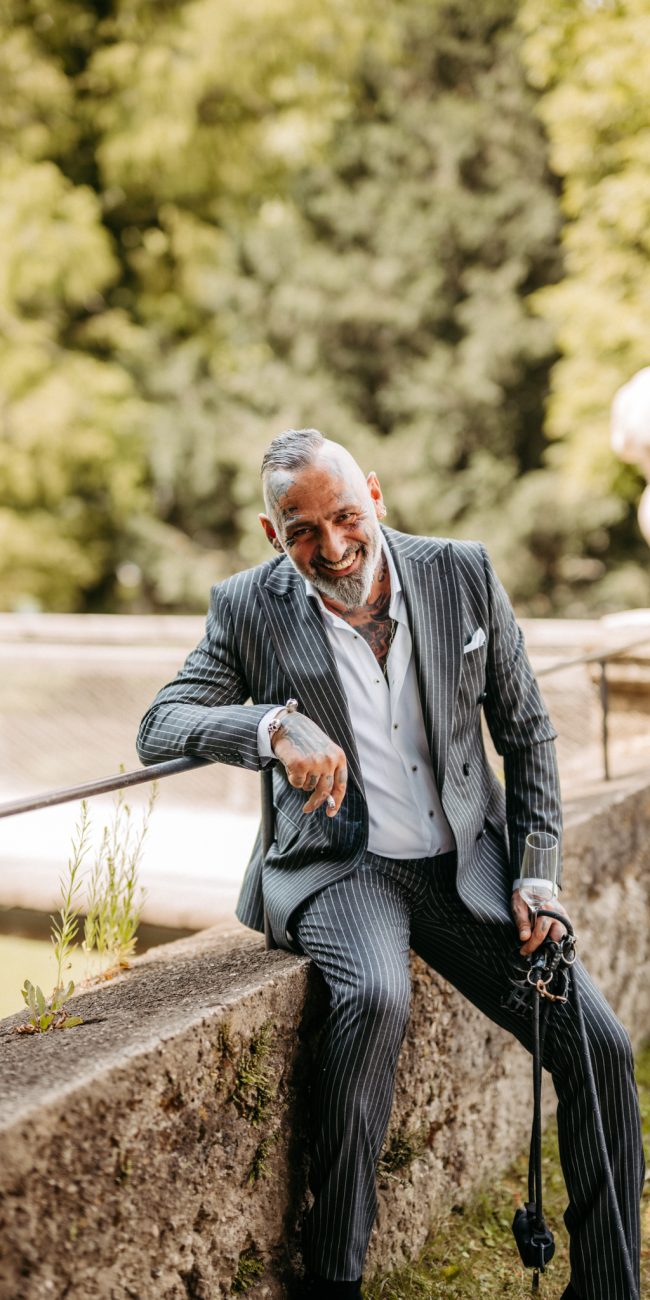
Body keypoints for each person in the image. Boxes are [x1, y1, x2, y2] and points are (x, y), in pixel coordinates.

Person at [137, 428, 644, 1300]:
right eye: (302, 532)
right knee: (375, 995)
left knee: (598, 1044)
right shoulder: (245, 607)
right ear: (272, 536)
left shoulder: (462, 571)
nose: (331, 548)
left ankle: (607, 1286)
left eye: (343, 516)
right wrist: (270, 727)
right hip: (342, 867)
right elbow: (160, 723)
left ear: (372, 492)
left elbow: (526, 733)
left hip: (466, 865)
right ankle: (333, 1280)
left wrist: (536, 875)